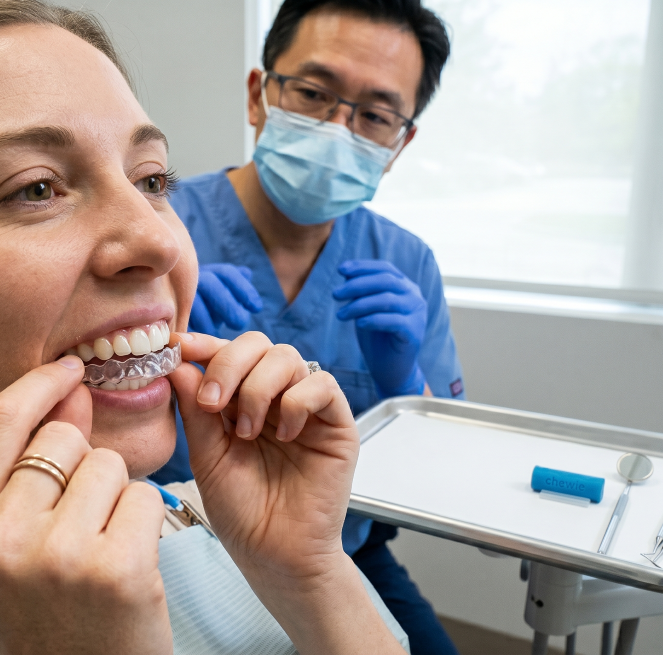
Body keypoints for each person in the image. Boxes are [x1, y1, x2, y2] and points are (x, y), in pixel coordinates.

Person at [0, 1, 409, 653]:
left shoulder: (219, 525)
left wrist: (309, 575)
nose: (157, 241)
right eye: (37, 189)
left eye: (152, 179)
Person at [150, 1, 464, 653]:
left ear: (399, 143)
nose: (337, 129)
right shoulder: (157, 233)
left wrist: (406, 383)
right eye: (316, 93)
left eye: (375, 115)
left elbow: (443, 465)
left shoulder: (408, 263)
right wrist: (159, 341)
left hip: (331, 548)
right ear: (259, 96)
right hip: (166, 543)